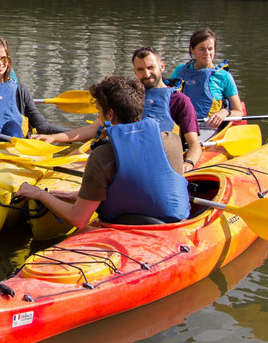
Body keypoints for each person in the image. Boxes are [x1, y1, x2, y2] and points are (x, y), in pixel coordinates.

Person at [15, 75, 190, 228]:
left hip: (123, 230)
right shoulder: (172, 141)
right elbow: (149, 187)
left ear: (110, 114)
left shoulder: (102, 156)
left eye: (99, 111)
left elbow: (78, 219)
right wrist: (81, 195)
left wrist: (40, 194)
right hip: (171, 229)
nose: (98, 116)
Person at [32, 46, 203, 171]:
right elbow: (94, 128)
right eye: (140, 70)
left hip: (152, 159)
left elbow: (195, 144)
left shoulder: (179, 101)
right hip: (114, 151)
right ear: (135, 72)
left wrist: (188, 164)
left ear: (162, 66)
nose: (147, 74)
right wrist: (55, 137)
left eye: (151, 68)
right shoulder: (127, 95)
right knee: (70, 159)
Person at [170, 28, 243, 129]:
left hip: (207, 128)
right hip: (180, 126)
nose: (207, 53)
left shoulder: (224, 76)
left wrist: (225, 112)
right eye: (202, 49)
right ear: (192, 50)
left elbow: (239, 112)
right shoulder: (180, 70)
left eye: (210, 49)